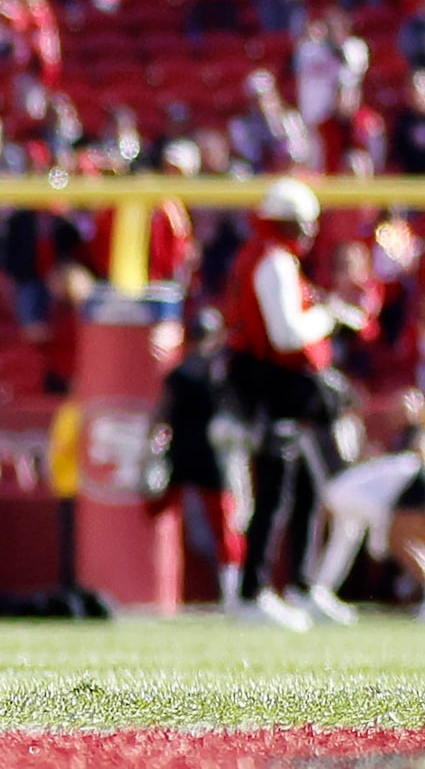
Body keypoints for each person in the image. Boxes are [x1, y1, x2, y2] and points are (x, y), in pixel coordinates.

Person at [225, 177, 364, 629]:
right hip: (273, 391)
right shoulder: (275, 261)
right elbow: (285, 334)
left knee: (302, 489)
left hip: (276, 389)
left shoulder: (272, 259)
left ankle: (300, 586)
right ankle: (253, 591)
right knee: (275, 492)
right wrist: (328, 317)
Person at [153, 309, 243, 608]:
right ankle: (232, 592)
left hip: (181, 453)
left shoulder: (180, 373)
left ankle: (229, 591)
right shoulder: (220, 373)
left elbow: (160, 416)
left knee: (165, 514)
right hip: (210, 456)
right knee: (223, 524)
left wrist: (151, 448)